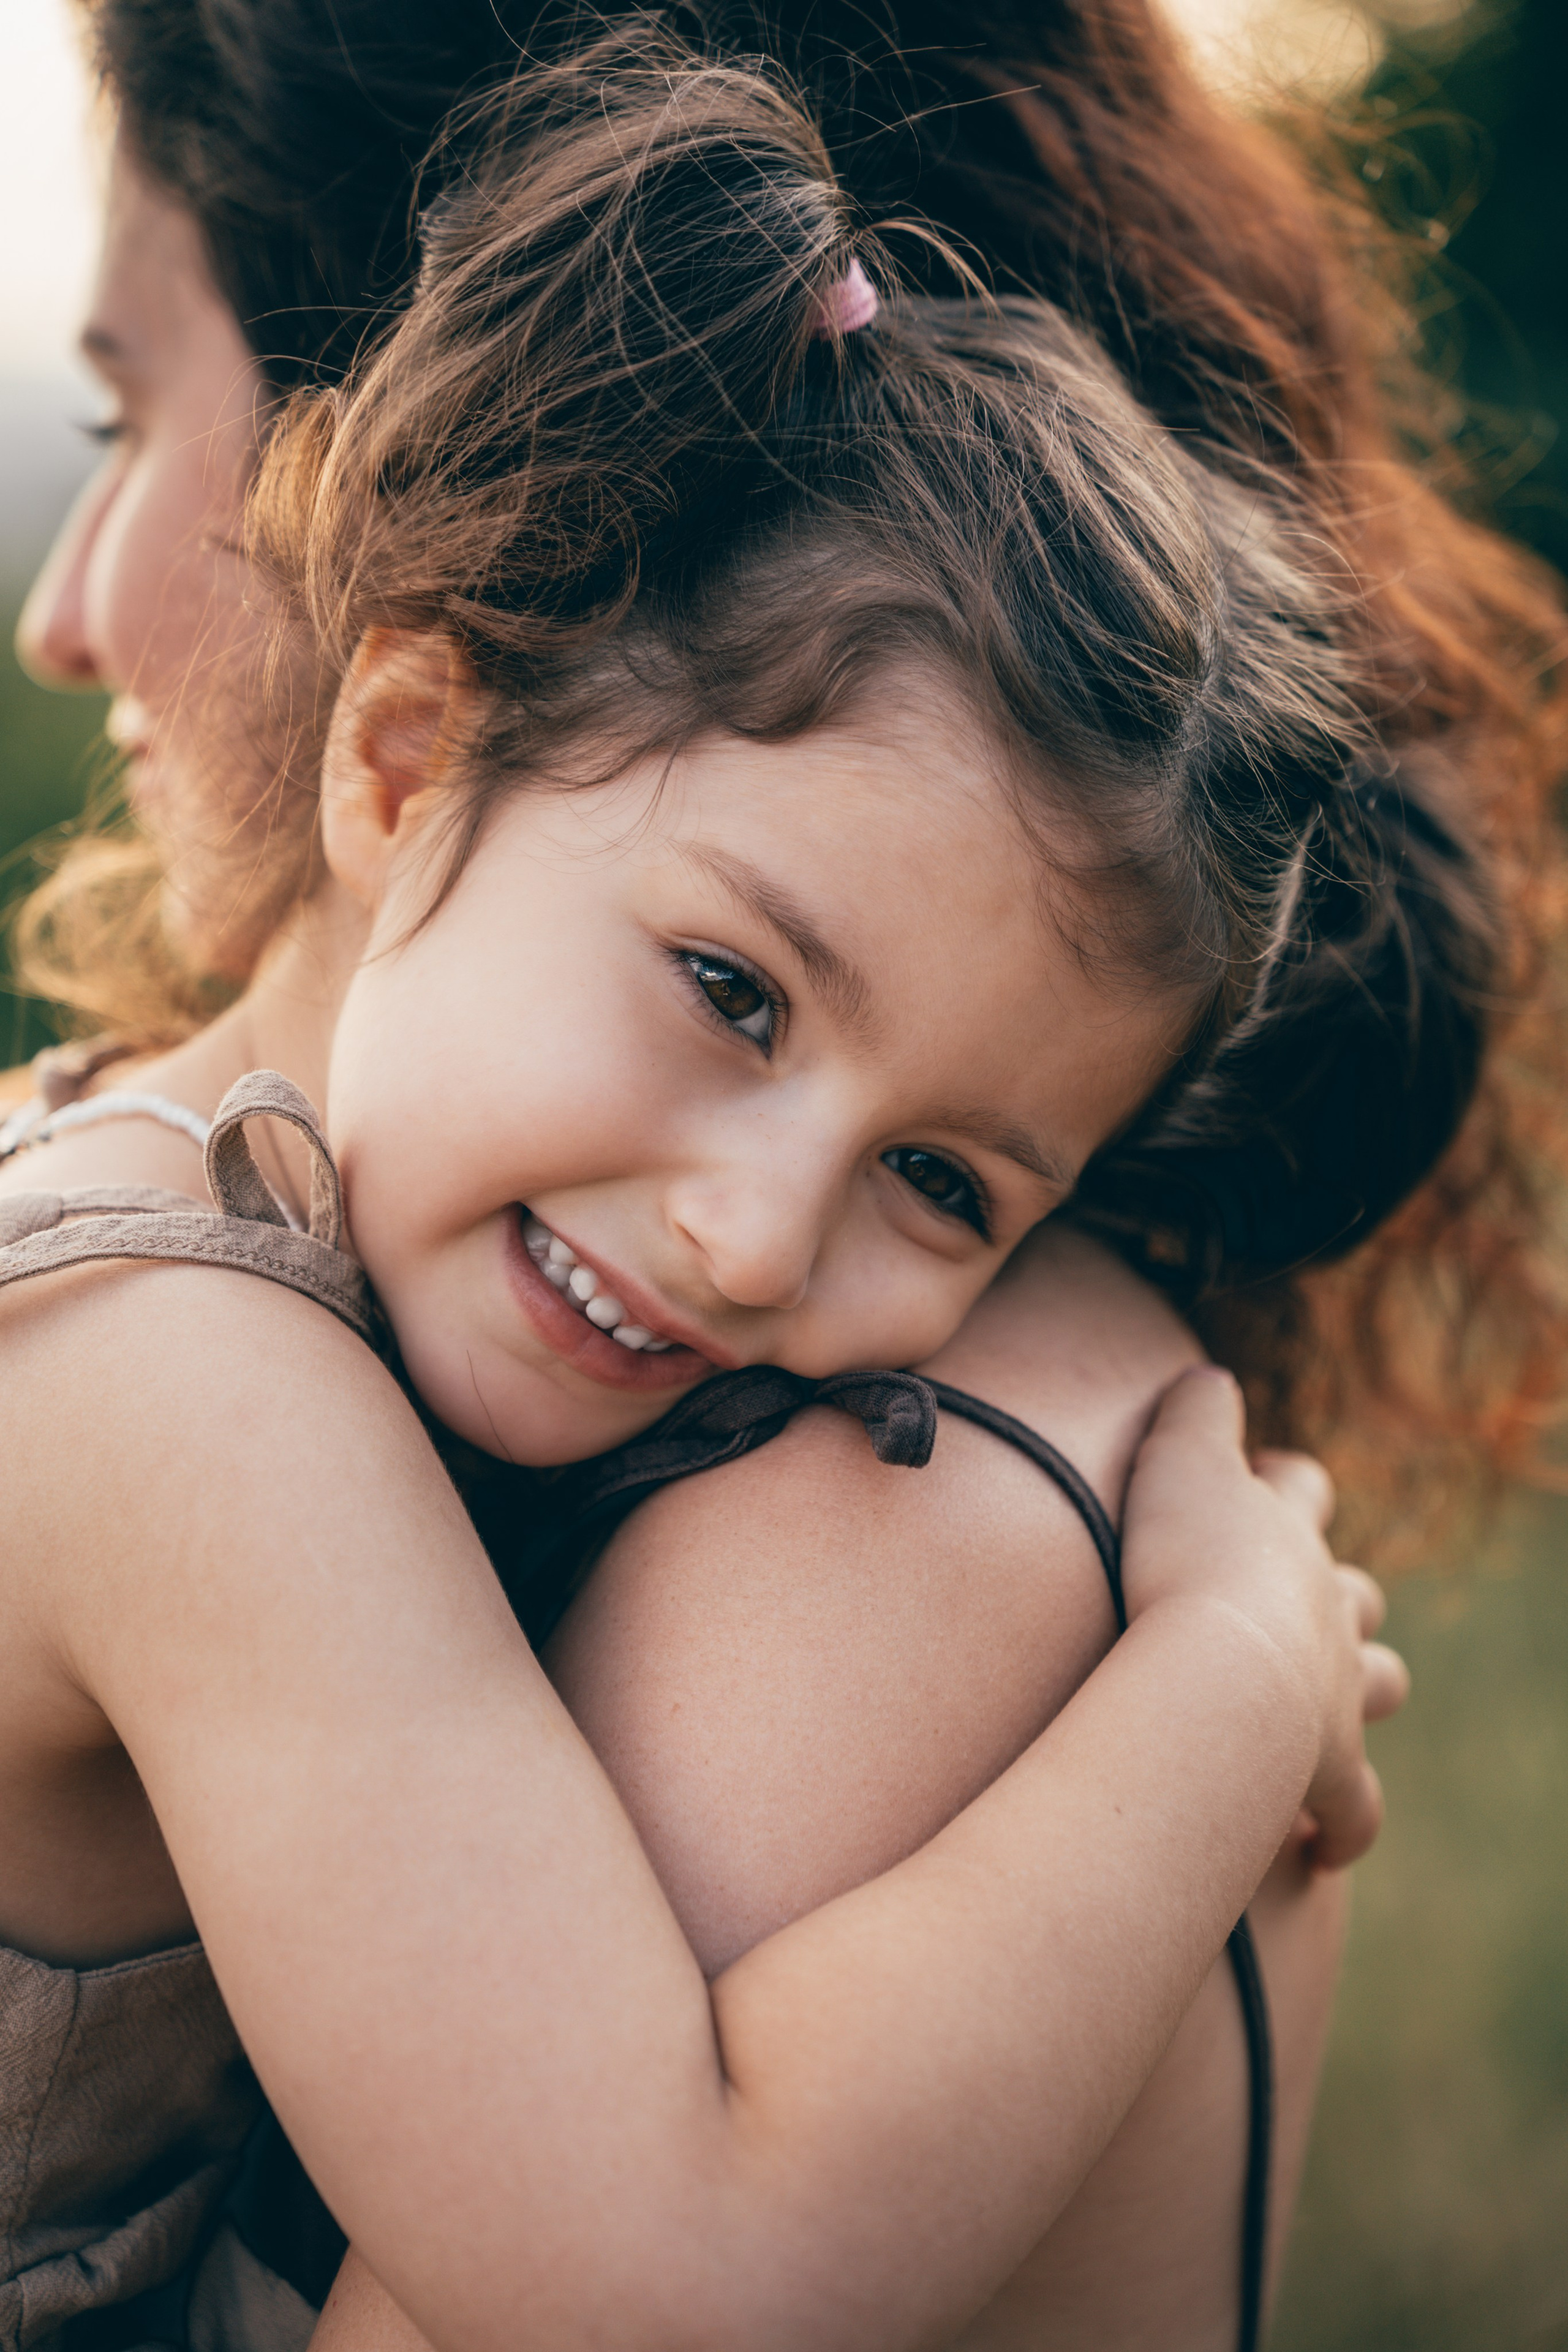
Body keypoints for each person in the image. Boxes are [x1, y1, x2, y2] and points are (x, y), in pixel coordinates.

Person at [7, 2, 1556, 2346]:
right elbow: (677, 2274)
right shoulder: (183, 1388)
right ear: (410, 754)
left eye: (945, 1186)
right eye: (733, 994)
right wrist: (1231, 1673)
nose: (754, 1238)